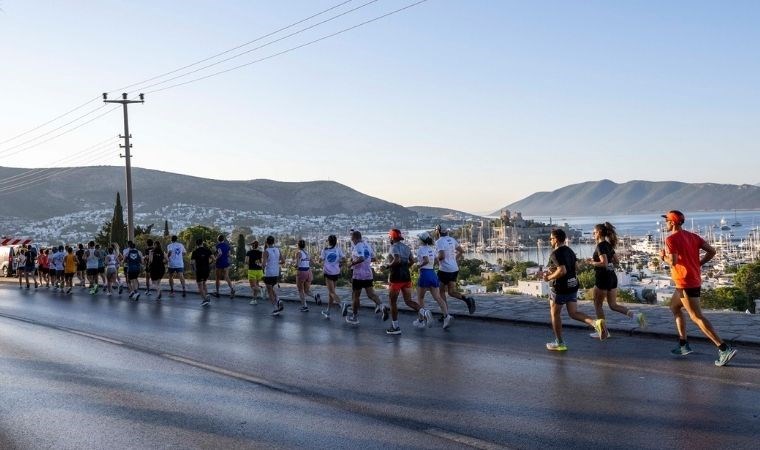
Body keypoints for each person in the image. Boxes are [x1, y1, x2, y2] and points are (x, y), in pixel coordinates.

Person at [660, 210, 737, 366]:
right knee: (674, 307)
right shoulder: (692, 236)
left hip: (685, 282)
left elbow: (673, 262)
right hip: (691, 279)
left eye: (667, 221)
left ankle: (723, 348)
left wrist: (663, 257)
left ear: (673, 222)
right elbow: (712, 251)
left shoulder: (670, 239)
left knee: (696, 317)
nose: (665, 223)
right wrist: (698, 264)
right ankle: (683, 344)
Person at [544, 229, 605, 351]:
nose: (550, 241)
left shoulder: (555, 254)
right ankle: (595, 323)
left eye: (551, 238)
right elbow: (575, 267)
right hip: (572, 285)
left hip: (560, 288)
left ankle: (560, 343)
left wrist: (549, 277)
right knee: (573, 313)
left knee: (555, 314)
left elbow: (562, 270)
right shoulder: (570, 251)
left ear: (556, 239)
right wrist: (555, 270)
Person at [589, 222, 646, 339]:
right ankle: (636, 316)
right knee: (613, 305)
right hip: (612, 277)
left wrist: (591, 262)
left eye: (594, 232)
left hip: (602, 278)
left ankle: (604, 332)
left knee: (598, 305)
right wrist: (607, 264)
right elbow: (616, 261)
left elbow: (604, 263)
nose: (592, 234)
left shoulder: (600, 246)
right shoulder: (608, 245)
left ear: (599, 233)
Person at [384, 229, 424, 335]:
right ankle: (424, 312)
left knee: (392, 302)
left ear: (392, 238)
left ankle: (395, 327)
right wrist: (406, 267)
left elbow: (396, 259)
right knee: (408, 301)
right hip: (406, 277)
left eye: (389, 237)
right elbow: (412, 261)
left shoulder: (393, 247)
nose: (389, 239)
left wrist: (388, 265)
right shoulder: (406, 247)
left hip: (396, 277)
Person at [344, 230, 388, 325]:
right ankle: (382, 306)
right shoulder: (367, 245)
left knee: (356, 296)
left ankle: (354, 317)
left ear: (355, 238)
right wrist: (366, 261)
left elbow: (361, 258)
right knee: (371, 294)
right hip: (368, 273)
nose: (351, 240)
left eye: (352, 238)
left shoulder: (358, 246)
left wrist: (351, 264)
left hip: (358, 275)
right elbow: (374, 258)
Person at [435, 226, 476, 316]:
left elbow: (441, 256)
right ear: (446, 232)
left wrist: (436, 260)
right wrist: (454, 259)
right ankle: (467, 300)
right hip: (454, 269)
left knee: (440, 291)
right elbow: (461, 251)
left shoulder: (439, 241)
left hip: (444, 270)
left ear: (438, 232)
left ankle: (445, 314)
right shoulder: (452, 239)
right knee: (451, 292)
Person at [416, 231, 452, 329]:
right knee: (438, 297)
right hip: (432, 273)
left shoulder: (420, 250)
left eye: (419, 239)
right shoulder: (431, 249)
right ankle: (446, 315)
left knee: (420, 298)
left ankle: (421, 319)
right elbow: (435, 260)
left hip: (424, 274)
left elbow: (426, 260)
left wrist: (418, 265)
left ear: (421, 240)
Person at [318, 235, 345, 319]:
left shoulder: (325, 250)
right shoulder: (338, 249)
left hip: (328, 273)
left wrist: (321, 260)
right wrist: (339, 264)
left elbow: (320, 260)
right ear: (336, 241)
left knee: (332, 292)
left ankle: (342, 305)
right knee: (331, 293)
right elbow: (344, 259)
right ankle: (328, 311)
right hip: (336, 272)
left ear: (328, 241)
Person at [294, 239, 320, 312]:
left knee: (300, 290)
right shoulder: (307, 253)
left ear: (298, 246)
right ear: (304, 245)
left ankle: (305, 306)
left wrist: (295, 266)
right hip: (308, 272)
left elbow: (297, 264)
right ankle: (315, 296)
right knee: (306, 290)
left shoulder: (298, 253)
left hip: (301, 272)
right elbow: (312, 262)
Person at [262, 235, 285, 315]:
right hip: (276, 273)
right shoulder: (278, 249)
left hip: (269, 273)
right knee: (272, 289)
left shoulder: (266, 251)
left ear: (266, 242)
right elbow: (283, 261)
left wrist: (261, 267)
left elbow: (264, 264)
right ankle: (279, 300)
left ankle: (275, 308)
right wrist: (275, 263)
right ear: (273, 242)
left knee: (270, 292)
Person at [190, 238, 214, 306]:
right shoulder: (207, 250)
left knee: (199, 286)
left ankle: (205, 299)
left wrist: (194, 269)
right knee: (204, 283)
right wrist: (209, 264)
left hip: (199, 270)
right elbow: (214, 259)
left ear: (196, 244)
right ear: (202, 243)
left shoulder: (195, 252)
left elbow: (191, 262)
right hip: (206, 270)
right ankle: (207, 295)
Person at [214, 234, 235, 298]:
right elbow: (229, 254)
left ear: (218, 239)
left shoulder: (217, 246)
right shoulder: (227, 246)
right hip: (226, 263)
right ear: (223, 239)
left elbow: (220, 253)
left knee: (217, 278)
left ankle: (217, 292)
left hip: (219, 263)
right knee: (226, 277)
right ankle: (232, 289)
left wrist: (216, 258)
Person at [245, 240, 264, 305]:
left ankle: (261, 289)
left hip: (252, 270)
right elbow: (261, 262)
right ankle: (254, 300)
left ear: (252, 246)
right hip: (259, 270)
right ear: (257, 246)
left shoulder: (249, 252)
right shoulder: (260, 252)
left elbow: (246, 261)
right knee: (256, 285)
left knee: (253, 286)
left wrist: (249, 263)